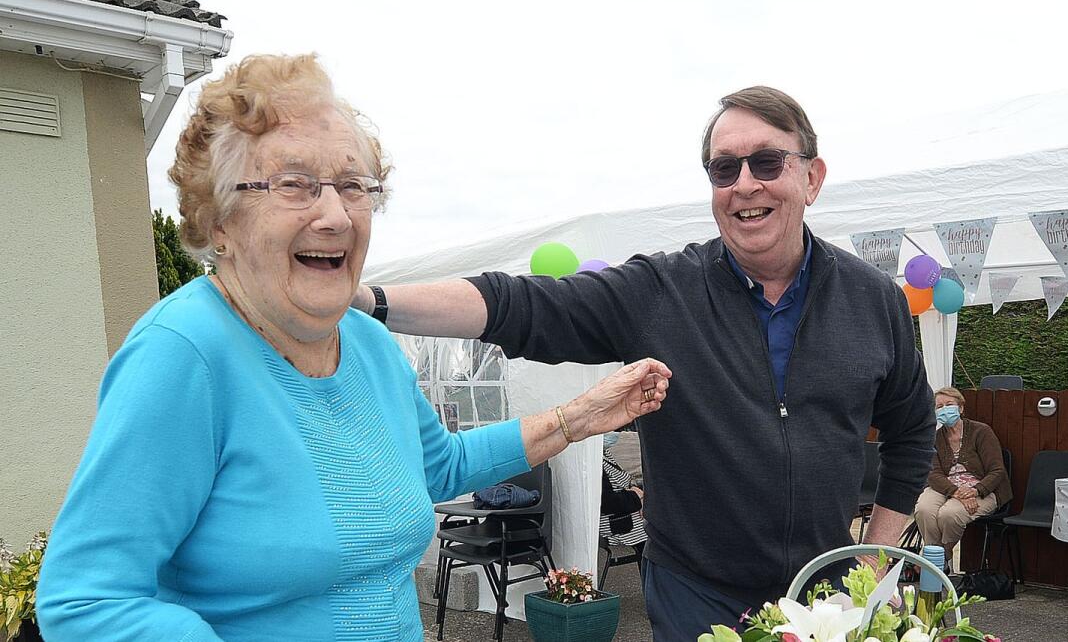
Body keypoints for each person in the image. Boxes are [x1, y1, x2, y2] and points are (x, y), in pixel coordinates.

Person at [35, 54, 671, 642]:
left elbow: (438, 467)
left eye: (352, 186)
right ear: (219, 220)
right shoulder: (183, 355)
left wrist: (579, 417)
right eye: (294, 184)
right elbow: (86, 601)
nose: (336, 215)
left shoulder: (366, 340)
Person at [352, 85, 935, 639]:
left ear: (812, 177)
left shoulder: (872, 299)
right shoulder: (662, 291)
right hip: (698, 596)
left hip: (825, 594)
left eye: (766, 162)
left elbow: (911, 431)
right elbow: (521, 305)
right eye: (723, 169)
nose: (744, 184)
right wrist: (370, 301)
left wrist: (874, 558)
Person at [914, 387, 1012, 570]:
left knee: (949, 514)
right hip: (948, 487)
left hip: (983, 489)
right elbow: (933, 473)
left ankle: (937, 559)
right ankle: (939, 561)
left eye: (949, 404)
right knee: (924, 509)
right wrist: (956, 492)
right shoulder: (935, 437)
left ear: (960, 408)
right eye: (939, 406)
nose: (944, 409)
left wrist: (975, 491)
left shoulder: (981, 431)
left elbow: (997, 470)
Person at [599, 433, 648, 559]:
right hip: (618, 524)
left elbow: (624, 482)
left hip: (629, 515)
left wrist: (640, 496)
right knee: (658, 538)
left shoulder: (604, 455)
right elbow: (607, 502)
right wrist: (637, 497)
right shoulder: (594, 464)